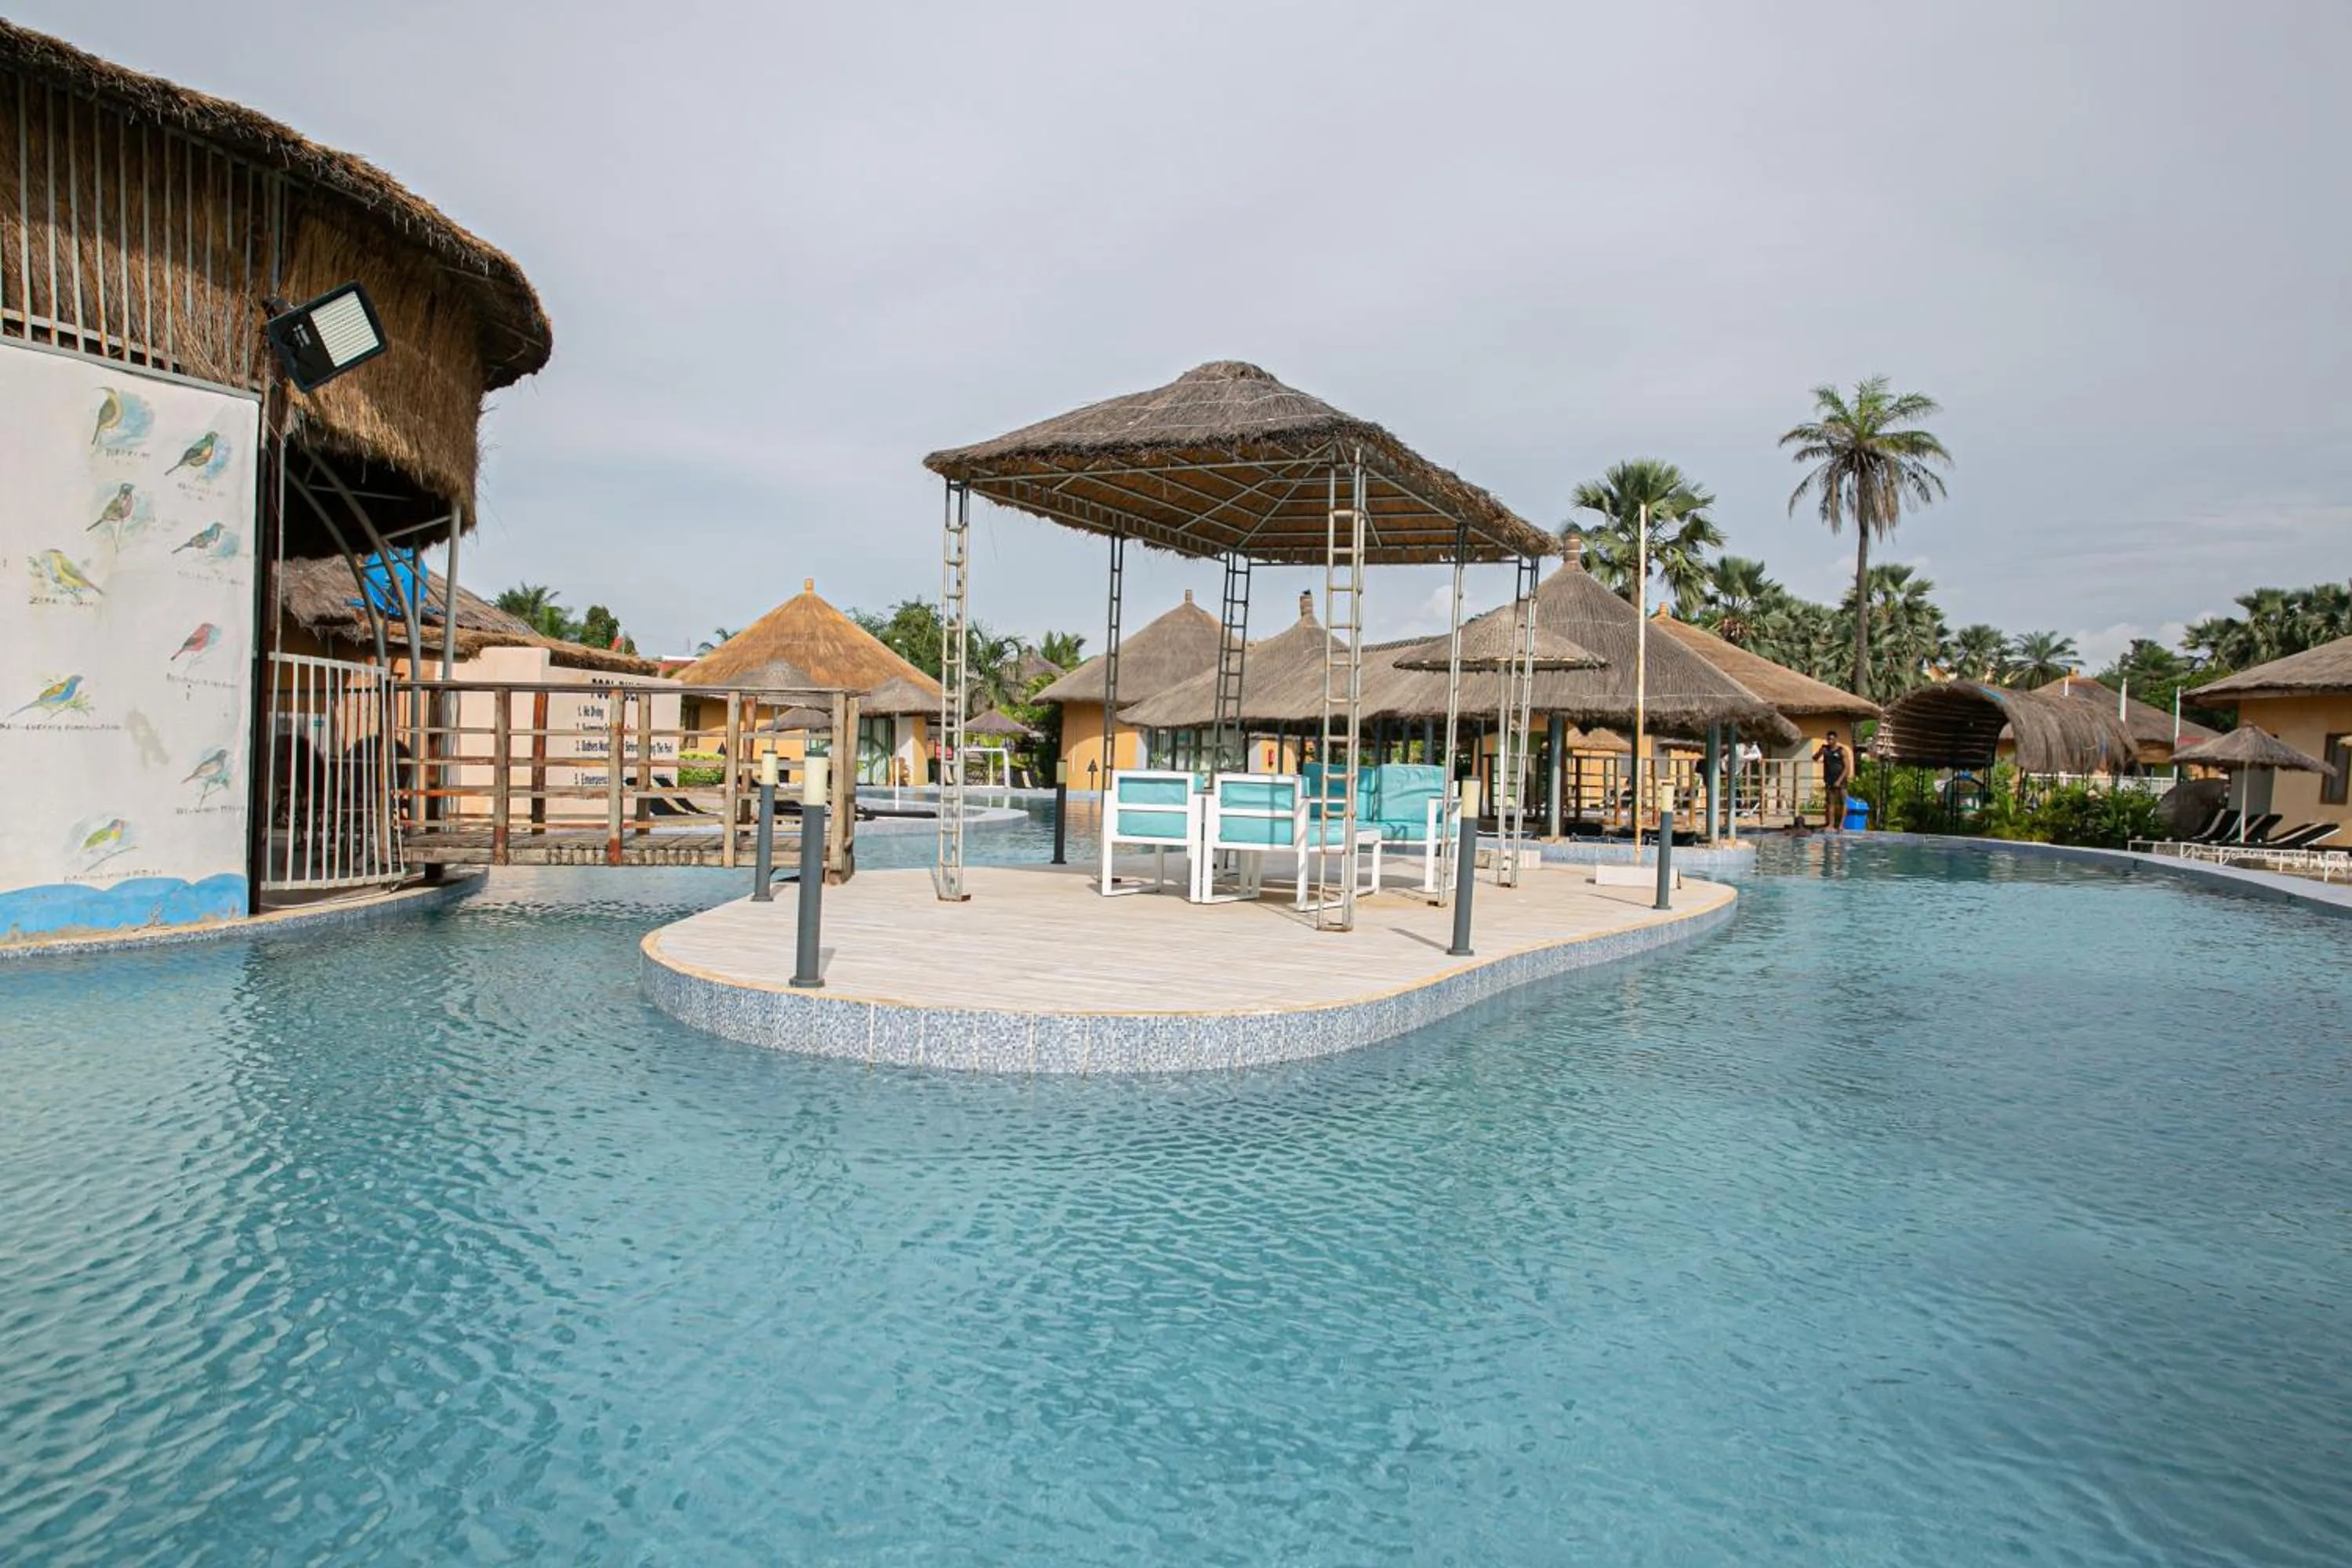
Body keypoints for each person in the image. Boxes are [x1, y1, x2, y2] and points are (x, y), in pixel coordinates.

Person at [1814, 729, 1850, 830]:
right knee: (1830, 803)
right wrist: (1820, 752)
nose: (1829, 741)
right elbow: (1815, 758)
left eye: (1831, 739)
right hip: (1829, 779)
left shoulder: (1842, 751)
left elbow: (1847, 767)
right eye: (1828, 739)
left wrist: (1839, 780)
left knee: (1844, 802)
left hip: (1841, 780)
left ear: (1835, 739)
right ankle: (1831, 824)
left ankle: (1841, 825)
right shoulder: (1825, 749)